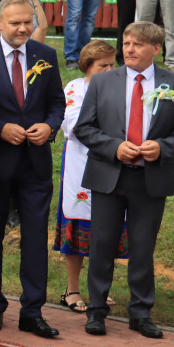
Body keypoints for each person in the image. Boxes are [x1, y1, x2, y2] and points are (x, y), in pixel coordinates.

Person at [75, 21, 174, 338]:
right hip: (109, 177)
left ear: (156, 49)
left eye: (138, 44)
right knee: (101, 245)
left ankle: (141, 313)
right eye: (127, 43)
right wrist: (114, 147)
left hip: (150, 179)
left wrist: (163, 147)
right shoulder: (102, 82)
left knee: (142, 247)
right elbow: (84, 128)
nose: (129, 49)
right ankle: (97, 311)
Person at [0, 0, 65, 338]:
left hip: (35, 165)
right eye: (15, 23)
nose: (24, 28)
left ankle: (33, 310)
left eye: (28, 21)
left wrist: (50, 126)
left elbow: (57, 102)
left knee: (36, 239)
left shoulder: (47, 55)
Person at [53, 40, 126, 312]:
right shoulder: (75, 88)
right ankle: (71, 289)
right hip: (80, 167)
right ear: (87, 66)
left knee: (106, 230)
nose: (108, 69)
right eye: (102, 65)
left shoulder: (122, 88)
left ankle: (100, 287)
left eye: (111, 64)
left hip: (112, 166)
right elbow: (72, 125)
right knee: (78, 227)